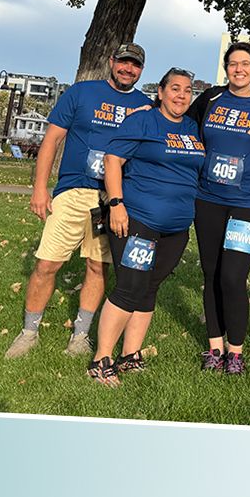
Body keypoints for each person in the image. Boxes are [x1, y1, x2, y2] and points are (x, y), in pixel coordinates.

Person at [5, 43, 153, 359]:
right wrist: (40, 188)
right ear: (112, 62)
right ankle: (29, 332)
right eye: (123, 62)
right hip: (72, 192)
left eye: (135, 65)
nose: (128, 69)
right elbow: (52, 140)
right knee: (47, 263)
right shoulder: (81, 93)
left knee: (97, 266)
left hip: (109, 201)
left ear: (141, 70)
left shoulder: (145, 106)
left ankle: (80, 335)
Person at [87, 68, 205, 386]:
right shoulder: (143, 120)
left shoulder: (192, 127)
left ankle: (130, 356)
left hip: (176, 228)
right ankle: (101, 360)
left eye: (187, 90)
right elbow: (112, 160)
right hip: (139, 219)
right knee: (130, 287)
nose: (181, 95)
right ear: (161, 92)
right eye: (175, 88)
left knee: (149, 288)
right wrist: (116, 204)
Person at [186, 42, 250, 375]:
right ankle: (215, 348)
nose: (238, 69)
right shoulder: (210, 99)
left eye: (245, 64)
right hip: (209, 199)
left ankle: (236, 353)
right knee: (212, 274)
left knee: (233, 276)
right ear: (226, 68)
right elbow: (182, 126)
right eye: (232, 63)